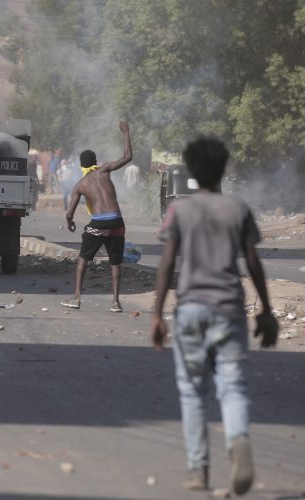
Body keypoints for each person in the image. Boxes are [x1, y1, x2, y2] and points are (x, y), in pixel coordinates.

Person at [151, 137, 279, 494]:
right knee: (232, 386)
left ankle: (198, 470)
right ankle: (238, 440)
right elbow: (253, 263)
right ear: (225, 170)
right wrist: (266, 311)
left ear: (191, 171)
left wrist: (157, 314)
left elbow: (166, 264)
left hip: (190, 310)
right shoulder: (238, 209)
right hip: (229, 311)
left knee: (192, 391)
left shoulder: (179, 211)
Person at [60, 121, 132, 313]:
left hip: (98, 224)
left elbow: (69, 212)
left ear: (81, 165)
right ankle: (116, 302)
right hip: (117, 222)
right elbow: (128, 156)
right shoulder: (105, 169)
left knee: (83, 258)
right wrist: (125, 133)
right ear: (95, 161)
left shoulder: (80, 185)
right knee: (115, 262)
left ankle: (76, 298)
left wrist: (70, 222)